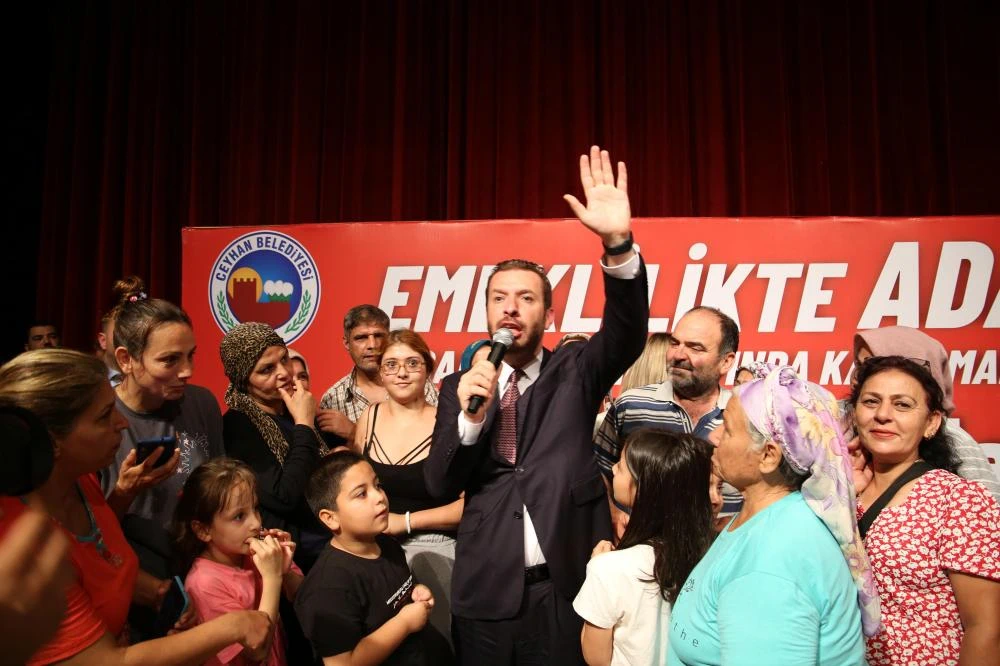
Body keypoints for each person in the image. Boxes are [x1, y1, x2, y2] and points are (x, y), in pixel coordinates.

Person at [425, 145, 648, 664]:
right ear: (485, 310)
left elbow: (627, 330)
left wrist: (617, 243)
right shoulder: (458, 387)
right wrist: (471, 419)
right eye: (499, 297)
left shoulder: (576, 370)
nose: (511, 308)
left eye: (526, 298)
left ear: (548, 314)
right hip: (488, 594)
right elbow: (440, 484)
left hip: (569, 588)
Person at [0, 349, 273, 665]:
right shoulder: (19, 539)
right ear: (51, 441)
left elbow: (102, 557)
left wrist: (154, 592)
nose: (121, 423)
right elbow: (105, 662)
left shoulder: (80, 479)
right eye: (104, 416)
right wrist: (234, 625)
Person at [667, 364, 878, 666]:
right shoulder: (770, 517)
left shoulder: (772, 561)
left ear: (768, 456)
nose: (714, 436)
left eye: (728, 428)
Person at [849, 355, 999, 665]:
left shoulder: (958, 500)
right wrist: (840, 492)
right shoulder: (839, 495)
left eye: (902, 405)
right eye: (871, 401)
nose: (883, 415)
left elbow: (986, 628)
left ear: (931, 423)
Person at [100, 288, 224, 578]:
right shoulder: (100, 420)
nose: (187, 371)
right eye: (170, 360)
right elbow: (88, 534)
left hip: (204, 571)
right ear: (126, 359)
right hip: (137, 576)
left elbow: (222, 491)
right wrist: (124, 493)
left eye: (190, 356)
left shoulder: (201, 403)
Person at [353, 329, 463, 640]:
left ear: (428, 369)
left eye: (412, 363)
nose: (401, 373)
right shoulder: (369, 417)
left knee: (438, 646)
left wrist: (406, 522)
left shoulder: (447, 423)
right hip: (376, 552)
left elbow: (473, 505)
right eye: (391, 364)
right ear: (380, 371)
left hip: (436, 550)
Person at [295, 451, 454, 665]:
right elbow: (342, 663)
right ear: (330, 518)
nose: (379, 497)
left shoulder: (385, 543)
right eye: (361, 494)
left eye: (377, 485)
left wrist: (416, 592)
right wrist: (405, 623)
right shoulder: (328, 588)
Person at [573, 430, 717, 666]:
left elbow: (597, 657)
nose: (613, 469)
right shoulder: (709, 554)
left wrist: (597, 565)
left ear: (642, 487)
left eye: (621, 466)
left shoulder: (608, 568)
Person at [594, 307, 742, 530]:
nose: (678, 355)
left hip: (721, 547)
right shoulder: (631, 405)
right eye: (674, 343)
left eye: (695, 347)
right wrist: (614, 515)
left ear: (726, 361)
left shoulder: (743, 416)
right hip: (639, 545)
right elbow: (599, 470)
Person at [173, 458, 305, 666]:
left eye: (256, 508)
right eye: (239, 516)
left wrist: (284, 570)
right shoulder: (204, 584)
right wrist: (272, 577)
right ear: (203, 530)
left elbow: (301, 594)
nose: (256, 523)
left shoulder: (252, 552)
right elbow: (257, 650)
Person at [220, 322, 330, 571]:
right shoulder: (238, 426)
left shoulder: (292, 407)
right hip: (297, 560)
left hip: (329, 538)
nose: (284, 373)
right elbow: (284, 496)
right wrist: (304, 424)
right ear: (244, 380)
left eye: (284, 359)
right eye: (267, 369)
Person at [849, 326, 1000, 503]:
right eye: (859, 365)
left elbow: (987, 505)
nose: (857, 376)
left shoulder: (955, 440)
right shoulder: (838, 419)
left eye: (871, 365)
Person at [318, 305, 439, 442]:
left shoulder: (420, 386)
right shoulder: (333, 398)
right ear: (347, 343)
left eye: (378, 336)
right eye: (361, 338)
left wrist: (355, 433)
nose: (372, 345)